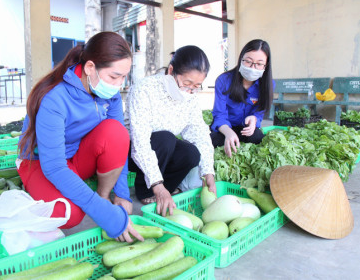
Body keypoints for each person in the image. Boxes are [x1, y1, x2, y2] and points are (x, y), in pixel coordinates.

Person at [17, 32, 143, 243]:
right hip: (41, 163)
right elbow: (55, 167)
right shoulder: (54, 98)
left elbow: (118, 141)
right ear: (90, 68)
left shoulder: (108, 94)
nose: (119, 85)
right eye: (114, 76)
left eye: (124, 77)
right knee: (70, 214)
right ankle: (35, 187)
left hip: (76, 156)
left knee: (117, 131)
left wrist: (121, 195)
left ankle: (102, 198)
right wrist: (104, 213)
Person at [126, 45, 217, 217]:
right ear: (171, 71)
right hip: (133, 150)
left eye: (196, 86)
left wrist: (208, 173)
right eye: (187, 83)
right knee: (166, 139)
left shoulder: (190, 99)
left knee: (191, 153)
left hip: (163, 150)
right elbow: (140, 143)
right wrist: (156, 184)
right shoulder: (145, 89)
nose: (190, 90)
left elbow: (200, 134)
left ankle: (165, 187)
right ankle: (147, 190)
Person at [210, 39, 274, 157]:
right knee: (211, 141)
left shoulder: (267, 85)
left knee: (260, 140)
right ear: (241, 59)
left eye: (259, 64)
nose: (252, 67)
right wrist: (229, 133)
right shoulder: (224, 80)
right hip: (226, 128)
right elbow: (219, 115)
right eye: (248, 61)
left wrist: (254, 119)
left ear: (266, 65)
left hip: (247, 130)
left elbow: (260, 113)